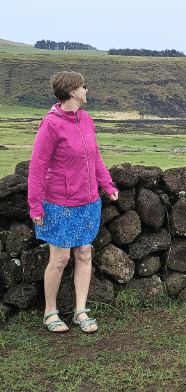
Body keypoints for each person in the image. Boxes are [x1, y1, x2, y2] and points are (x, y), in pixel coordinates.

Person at [28, 71, 119, 333]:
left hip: (88, 202)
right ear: (72, 92)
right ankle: (50, 312)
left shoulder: (86, 119)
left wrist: (108, 185)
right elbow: (37, 167)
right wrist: (35, 205)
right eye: (83, 86)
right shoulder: (51, 124)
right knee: (59, 259)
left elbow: (95, 156)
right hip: (57, 203)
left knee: (84, 253)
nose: (86, 90)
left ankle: (81, 311)